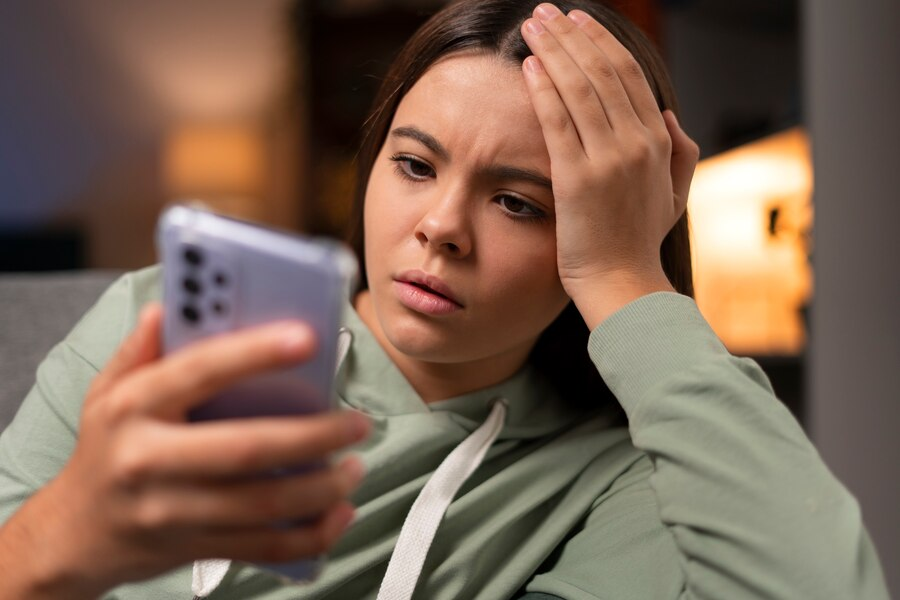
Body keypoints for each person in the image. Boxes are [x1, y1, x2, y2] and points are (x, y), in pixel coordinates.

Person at [0, 0, 889, 598]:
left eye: (519, 203)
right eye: (415, 165)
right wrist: (58, 538)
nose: (441, 227)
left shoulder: (616, 477)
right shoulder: (173, 321)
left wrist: (626, 281)